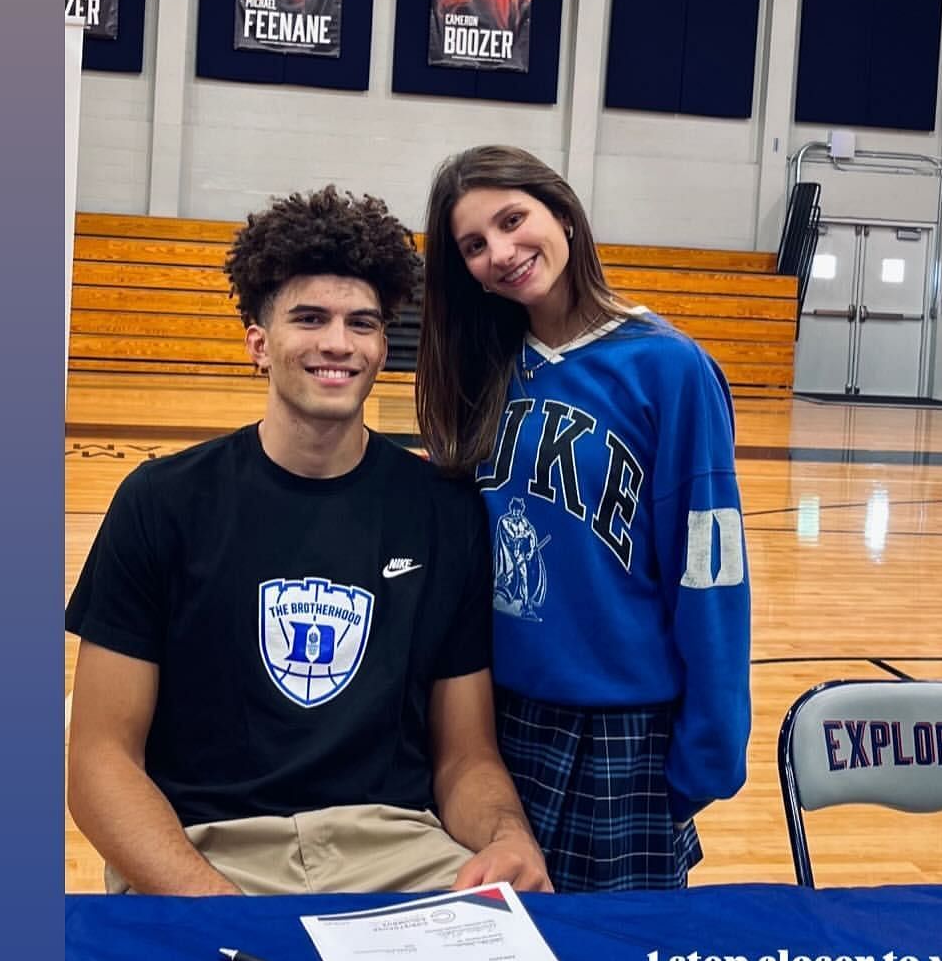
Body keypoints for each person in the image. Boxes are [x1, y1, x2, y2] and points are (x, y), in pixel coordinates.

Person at [67, 185, 551, 898]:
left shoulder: (443, 513)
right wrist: (213, 903)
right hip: (207, 851)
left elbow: (465, 756)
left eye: (362, 322)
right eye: (310, 318)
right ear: (258, 342)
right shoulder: (162, 501)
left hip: (394, 847)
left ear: (384, 345)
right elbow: (99, 759)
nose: (338, 342)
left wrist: (508, 835)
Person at [416, 146, 751, 892]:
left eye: (512, 220)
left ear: (561, 212)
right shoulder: (485, 365)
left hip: (619, 732)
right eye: (474, 244)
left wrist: (711, 745)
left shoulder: (670, 367)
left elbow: (711, 565)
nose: (500, 253)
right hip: (491, 727)